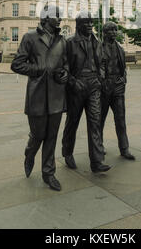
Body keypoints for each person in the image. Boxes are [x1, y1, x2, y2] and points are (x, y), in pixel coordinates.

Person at [11, 5, 68, 191]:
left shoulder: (62, 41)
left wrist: (64, 74)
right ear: (45, 18)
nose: (60, 18)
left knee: (52, 136)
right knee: (38, 135)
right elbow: (17, 64)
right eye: (56, 16)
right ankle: (29, 153)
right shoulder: (30, 38)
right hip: (37, 95)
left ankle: (48, 173)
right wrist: (39, 70)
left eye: (60, 15)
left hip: (57, 96)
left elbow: (65, 64)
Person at [62, 11, 111, 173]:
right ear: (79, 25)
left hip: (94, 86)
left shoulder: (97, 42)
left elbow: (102, 62)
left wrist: (100, 77)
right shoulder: (69, 43)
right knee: (73, 121)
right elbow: (63, 67)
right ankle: (67, 152)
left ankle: (96, 162)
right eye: (87, 22)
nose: (90, 25)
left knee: (95, 122)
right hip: (77, 87)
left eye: (92, 22)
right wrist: (73, 82)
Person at [101, 22, 135, 160]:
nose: (114, 32)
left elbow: (123, 67)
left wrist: (123, 78)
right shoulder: (98, 48)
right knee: (99, 120)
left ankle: (124, 148)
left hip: (118, 88)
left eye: (115, 30)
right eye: (111, 30)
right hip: (104, 88)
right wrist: (102, 82)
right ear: (104, 32)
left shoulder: (119, 48)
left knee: (120, 119)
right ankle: (98, 145)